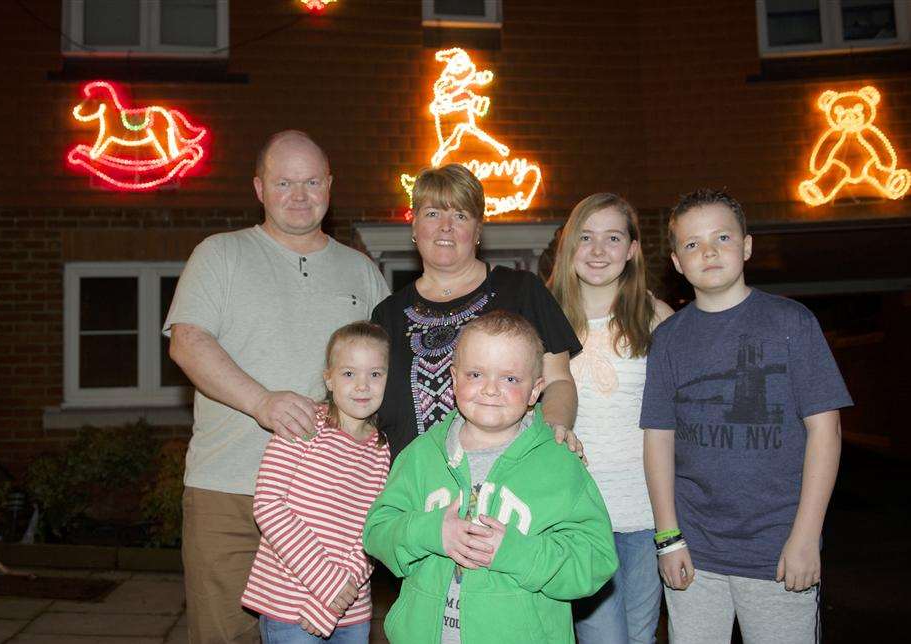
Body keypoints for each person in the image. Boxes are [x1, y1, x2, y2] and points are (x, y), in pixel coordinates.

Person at [164, 130, 390, 643]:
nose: (299, 194)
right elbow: (188, 342)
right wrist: (261, 403)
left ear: (329, 185)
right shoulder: (219, 255)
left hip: (335, 512)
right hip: (232, 493)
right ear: (259, 188)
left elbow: (386, 375)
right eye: (284, 181)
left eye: (311, 181)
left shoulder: (362, 270)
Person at [641, 189, 852, 643]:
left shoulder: (792, 322)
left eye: (722, 236)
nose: (709, 251)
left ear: (747, 246)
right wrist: (668, 537)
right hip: (695, 552)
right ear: (677, 262)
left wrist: (805, 537)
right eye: (692, 244)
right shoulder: (668, 340)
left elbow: (825, 431)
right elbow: (658, 439)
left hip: (778, 549)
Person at [363, 311, 619, 644]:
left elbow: (596, 560)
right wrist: (430, 532)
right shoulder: (420, 456)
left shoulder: (560, 464)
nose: (490, 389)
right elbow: (377, 531)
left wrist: (517, 553)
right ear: (454, 379)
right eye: (475, 374)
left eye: (510, 379)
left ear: (534, 390)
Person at [371, 163, 583, 459]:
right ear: (415, 227)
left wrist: (552, 433)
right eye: (433, 214)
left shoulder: (522, 290)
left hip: (510, 476)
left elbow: (558, 379)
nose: (446, 226)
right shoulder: (387, 315)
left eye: (460, 215)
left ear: (478, 230)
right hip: (414, 489)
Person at [548, 193, 673, 644]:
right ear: (568, 246)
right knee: (604, 637)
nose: (598, 250)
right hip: (575, 513)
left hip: (645, 509)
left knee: (640, 636)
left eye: (613, 238)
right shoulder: (545, 316)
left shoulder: (657, 318)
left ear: (633, 249)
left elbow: (678, 419)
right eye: (586, 237)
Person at [242, 321, 392, 643]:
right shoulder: (304, 424)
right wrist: (329, 586)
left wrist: (336, 598)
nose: (362, 386)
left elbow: (374, 529)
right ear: (329, 378)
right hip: (290, 605)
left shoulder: (382, 450)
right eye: (349, 373)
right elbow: (268, 506)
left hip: (351, 610)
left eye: (375, 374)